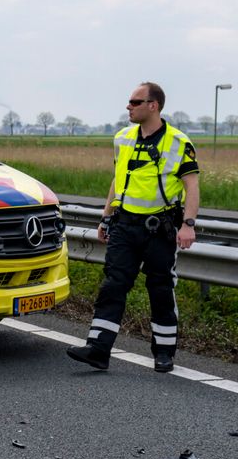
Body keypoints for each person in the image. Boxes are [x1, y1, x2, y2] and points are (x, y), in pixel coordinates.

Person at [67, 82, 200, 373]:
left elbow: (192, 186)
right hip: (124, 224)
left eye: (135, 101)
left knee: (161, 288)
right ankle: (98, 349)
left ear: (153, 105)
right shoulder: (122, 138)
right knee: (113, 285)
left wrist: (188, 224)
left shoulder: (178, 142)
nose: (128, 106)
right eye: (129, 101)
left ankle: (164, 353)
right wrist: (105, 216)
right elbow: (117, 180)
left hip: (159, 227)